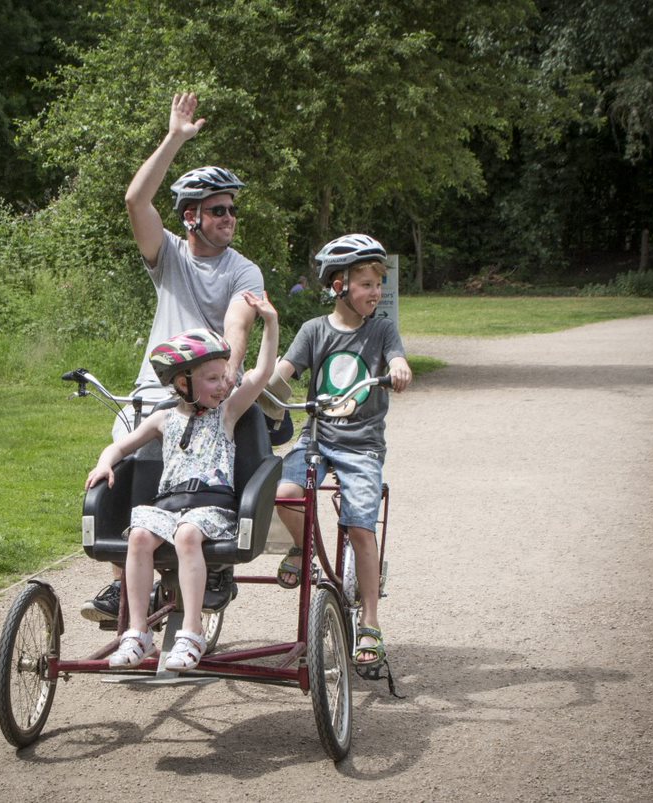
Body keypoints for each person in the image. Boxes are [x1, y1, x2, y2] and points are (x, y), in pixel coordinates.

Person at [81, 92, 265, 624]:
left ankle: (215, 566)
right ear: (191, 217)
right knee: (127, 468)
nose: (230, 217)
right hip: (154, 391)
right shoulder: (169, 256)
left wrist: (229, 372)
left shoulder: (243, 270)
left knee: (211, 466)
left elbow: (238, 318)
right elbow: (137, 201)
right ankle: (124, 581)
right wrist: (175, 138)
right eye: (218, 209)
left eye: (232, 208)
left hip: (212, 388)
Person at [84, 292, 278, 671]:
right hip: (169, 506)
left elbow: (262, 373)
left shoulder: (227, 413)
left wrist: (270, 323)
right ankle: (137, 633)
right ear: (182, 383)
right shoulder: (163, 420)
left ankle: (191, 632)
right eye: (212, 378)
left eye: (224, 376)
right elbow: (120, 447)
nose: (223, 384)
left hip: (212, 508)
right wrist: (104, 464)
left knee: (189, 534)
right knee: (139, 536)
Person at [271, 234, 412, 670]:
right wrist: (266, 384)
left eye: (378, 285)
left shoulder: (382, 330)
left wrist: (399, 367)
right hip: (317, 436)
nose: (375, 293)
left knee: (360, 526)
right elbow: (283, 372)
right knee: (285, 492)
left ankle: (369, 620)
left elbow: (395, 359)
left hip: (362, 445)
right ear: (338, 286)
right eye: (366, 284)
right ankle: (303, 547)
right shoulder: (315, 330)